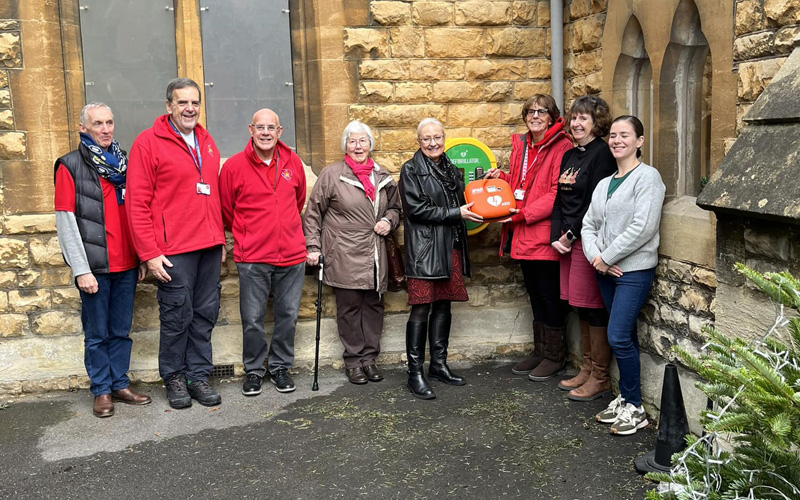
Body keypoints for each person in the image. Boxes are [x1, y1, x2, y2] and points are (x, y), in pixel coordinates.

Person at [127, 78, 226, 409]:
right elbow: (137, 204)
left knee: (204, 314)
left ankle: (198, 376)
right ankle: (174, 377)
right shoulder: (148, 143)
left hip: (208, 247)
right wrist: (150, 253)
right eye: (182, 102)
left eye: (195, 103)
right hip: (173, 251)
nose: (190, 108)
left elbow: (211, 192)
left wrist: (219, 237)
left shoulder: (206, 141)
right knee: (176, 315)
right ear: (168, 106)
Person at [54, 102, 151, 418]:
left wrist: (138, 258)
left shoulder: (124, 163)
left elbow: (134, 212)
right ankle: (102, 391)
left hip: (125, 265)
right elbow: (66, 221)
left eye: (109, 122)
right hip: (95, 268)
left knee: (121, 330)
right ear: (83, 128)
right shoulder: (70, 165)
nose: (106, 129)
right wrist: (80, 269)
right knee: (97, 334)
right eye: (98, 123)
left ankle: (120, 384)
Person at [582, 115, 665, 435]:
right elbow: (589, 225)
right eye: (613, 135)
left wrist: (609, 257)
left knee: (616, 335)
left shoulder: (648, 178)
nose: (617, 140)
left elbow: (643, 227)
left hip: (633, 270)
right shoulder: (605, 183)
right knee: (625, 335)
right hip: (605, 270)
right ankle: (627, 398)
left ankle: (637, 409)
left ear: (639, 141)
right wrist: (596, 259)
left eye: (625, 135)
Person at [303, 120, 401, 384]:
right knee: (349, 307)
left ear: (370, 145)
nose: (358, 146)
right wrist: (313, 246)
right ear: (345, 145)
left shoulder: (382, 174)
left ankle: (370, 359)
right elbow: (312, 214)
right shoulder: (332, 174)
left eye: (363, 141)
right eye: (352, 141)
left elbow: (395, 208)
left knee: (373, 306)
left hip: (375, 253)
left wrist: (389, 221)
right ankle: (354, 361)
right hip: (343, 251)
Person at [486, 94, 573, 381]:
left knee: (549, 296)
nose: (535, 115)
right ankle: (540, 351)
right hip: (523, 234)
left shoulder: (561, 147)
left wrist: (522, 215)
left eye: (542, 111)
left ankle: (555, 356)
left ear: (552, 116)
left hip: (543, 232)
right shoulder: (523, 145)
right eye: (530, 111)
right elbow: (522, 184)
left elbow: (555, 193)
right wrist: (502, 177)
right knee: (534, 294)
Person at [220, 109, 307, 396]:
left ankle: (280, 367)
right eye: (261, 127)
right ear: (251, 130)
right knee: (253, 319)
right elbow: (227, 211)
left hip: (292, 256)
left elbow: (298, 200)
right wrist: (251, 233)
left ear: (280, 131)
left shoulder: (293, 162)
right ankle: (255, 371)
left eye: (272, 127)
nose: (266, 132)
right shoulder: (233, 167)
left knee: (288, 315)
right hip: (253, 257)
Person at [399, 118, 483, 400]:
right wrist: (454, 214)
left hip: (450, 246)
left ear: (444, 137)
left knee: (444, 305)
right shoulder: (410, 169)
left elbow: (462, 198)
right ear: (418, 141)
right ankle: (415, 373)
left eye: (437, 137)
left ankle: (438, 364)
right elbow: (415, 210)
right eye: (427, 139)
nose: (433, 143)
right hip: (424, 250)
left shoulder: (449, 166)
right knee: (421, 308)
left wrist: (484, 183)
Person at [550, 95, 617, 401]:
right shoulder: (570, 155)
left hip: (586, 241)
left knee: (593, 305)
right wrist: (555, 234)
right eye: (574, 118)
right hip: (565, 242)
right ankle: (587, 369)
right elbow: (559, 200)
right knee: (579, 305)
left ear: (596, 123)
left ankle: (600, 377)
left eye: (583, 119)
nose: (576, 123)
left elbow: (594, 204)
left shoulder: (601, 154)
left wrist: (570, 235)